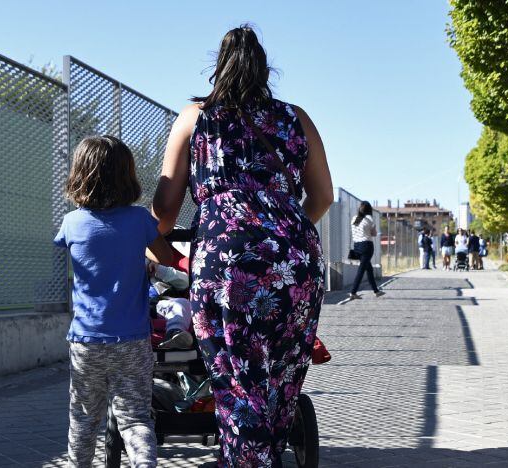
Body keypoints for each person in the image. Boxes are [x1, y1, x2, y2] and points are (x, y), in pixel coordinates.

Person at [149, 25, 333, 467]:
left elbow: (164, 210)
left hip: (226, 265)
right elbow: (323, 197)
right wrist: (281, 236)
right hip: (297, 263)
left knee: (237, 386)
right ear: (265, 70)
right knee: (280, 386)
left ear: (218, 69)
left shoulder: (195, 118)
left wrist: (157, 253)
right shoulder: (296, 118)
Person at [53, 135, 172, 468]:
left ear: (80, 174)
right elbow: (169, 258)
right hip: (132, 339)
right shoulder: (139, 221)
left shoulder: (72, 223)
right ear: (127, 176)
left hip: (86, 341)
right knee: (134, 417)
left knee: (84, 420)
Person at [347, 201, 385, 300]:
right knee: (361, 270)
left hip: (357, 246)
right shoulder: (369, 219)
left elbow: (355, 232)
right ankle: (353, 292)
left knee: (369, 269)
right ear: (369, 210)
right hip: (366, 246)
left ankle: (376, 291)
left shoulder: (354, 219)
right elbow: (374, 234)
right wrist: (374, 230)